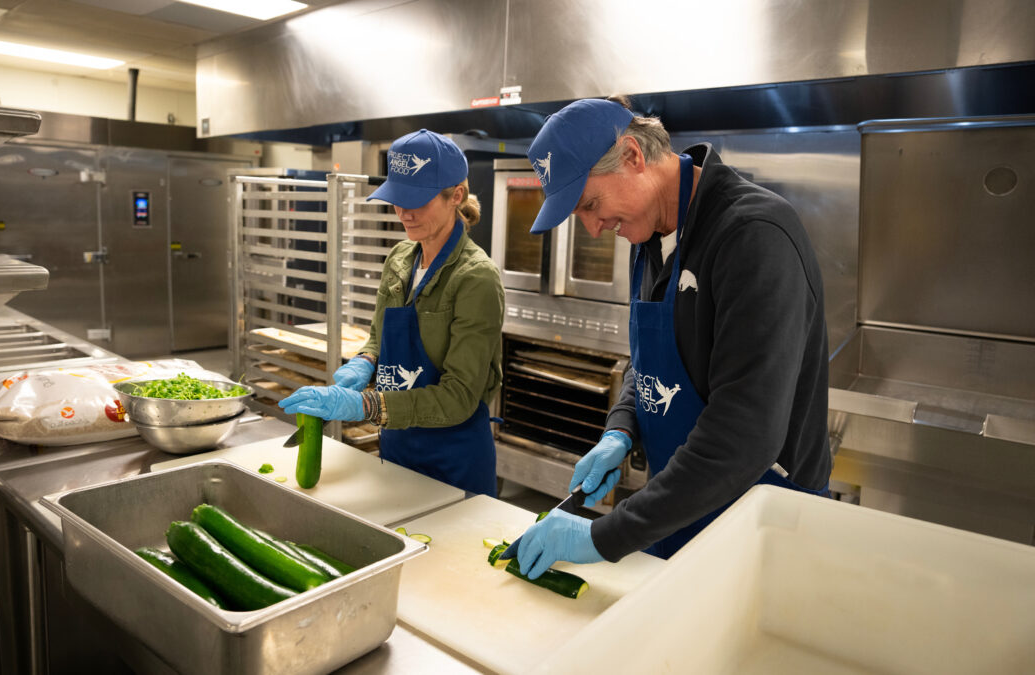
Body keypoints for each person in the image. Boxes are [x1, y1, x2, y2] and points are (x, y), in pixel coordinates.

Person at [510, 97, 833, 578]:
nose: (594, 229)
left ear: (633, 157)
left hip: (762, 525)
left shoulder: (753, 235)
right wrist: (620, 428)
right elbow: (651, 360)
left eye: (591, 205)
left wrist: (605, 536)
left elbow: (744, 434)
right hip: (679, 513)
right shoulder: (648, 236)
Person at [279, 129, 505, 496]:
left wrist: (366, 404)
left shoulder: (476, 278)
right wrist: (366, 361)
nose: (403, 212)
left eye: (417, 200)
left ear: (456, 196)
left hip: (453, 460)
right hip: (397, 447)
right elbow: (379, 335)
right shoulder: (400, 258)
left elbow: (459, 397)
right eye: (397, 198)